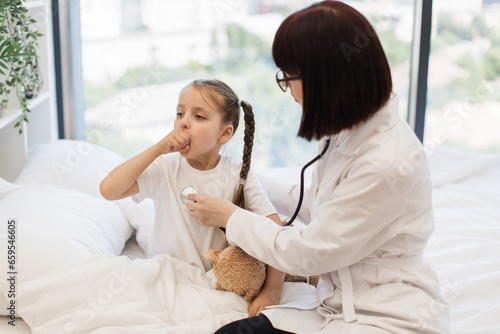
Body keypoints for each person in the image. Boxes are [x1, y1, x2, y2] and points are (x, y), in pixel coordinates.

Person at [186, 1, 450, 333]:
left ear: (326, 80)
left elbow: (309, 253)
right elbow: (317, 201)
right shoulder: (348, 134)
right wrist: (238, 179)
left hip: (386, 317)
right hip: (337, 302)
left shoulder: (386, 163)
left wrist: (231, 216)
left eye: (289, 77)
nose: (288, 89)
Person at [99, 79, 287, 317]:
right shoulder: (165, 167)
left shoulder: (237, 174)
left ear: (224, 133)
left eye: (199, 117)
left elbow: (274, 230)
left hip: (217, 281)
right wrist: (157, 148)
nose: (184, 122)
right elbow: (108, 190)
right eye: (180, 113)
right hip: (167, 276)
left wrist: (273, 289)